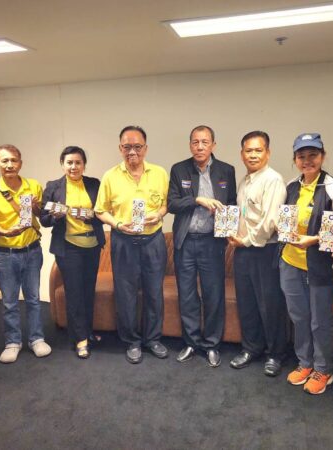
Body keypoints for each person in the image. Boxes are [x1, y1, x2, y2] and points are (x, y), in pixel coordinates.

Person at [277, 133, 333, 394]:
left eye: (313, 155)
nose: (307, 161)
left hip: (319, 266)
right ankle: (305, 362)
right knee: (299, 316)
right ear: (295, 159)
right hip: (290, 263)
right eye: (301, 156)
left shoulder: (332, 189)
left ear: (323, 156)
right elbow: (284, 222)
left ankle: (323, 369)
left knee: (320, 320)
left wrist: (314, 240)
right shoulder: (291, 187)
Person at [95, 126, 169, 364]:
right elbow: (100, 210)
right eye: (127, 147)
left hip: (153, 240)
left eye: (137, 146)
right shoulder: (110, 176)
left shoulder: (159, 173)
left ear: (145, 148)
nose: (132, 152)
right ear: (120, 148)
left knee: (154, 292)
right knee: (125, 294)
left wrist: (159, 214)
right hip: (123, 241)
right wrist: (117, 224)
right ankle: (132, 341)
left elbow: (166, 204)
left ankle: (153, 339)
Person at [168, 125, 236, 367]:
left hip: (211, 241)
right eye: (195, 142)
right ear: (190, 145)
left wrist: (227, 226)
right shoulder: (179, 169)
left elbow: (232, 203)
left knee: (213, 294)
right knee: (187, 295)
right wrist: (196, 200)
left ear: (213, 145)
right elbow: (172, 203)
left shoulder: (226, 170)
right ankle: (191, 342)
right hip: (185, 241)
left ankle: (212, 344)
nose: (199, 147)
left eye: (204, 142)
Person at [0, 144, 51, 363]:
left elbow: (41, 215)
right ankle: (13, 342)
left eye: (14, 160)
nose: (10, 165)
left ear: (21, 163)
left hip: (32, 250)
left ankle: (37, 338)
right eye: (5, 161)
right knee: (9, 301)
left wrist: (37, 207)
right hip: (5, 253)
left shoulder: (33, 186)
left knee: (33, 299)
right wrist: (4, 232)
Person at [227, 131, 288, 377]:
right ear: (242, 154)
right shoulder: (245, 181)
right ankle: (251, 348)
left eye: (258, 150)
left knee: (270, 304)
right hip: (242, 250)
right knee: (247, 303)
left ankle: (275, 354)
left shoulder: (273, 180)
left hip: (265, 250)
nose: (253, 155)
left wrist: (245, 240)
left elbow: (270, 221)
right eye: (248, 150)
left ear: (268, 153)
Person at [40, 146, 105, 359]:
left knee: (88, 291)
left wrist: (91, 216)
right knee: (74, 293)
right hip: (68, 247)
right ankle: (80, 339)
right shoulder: (53, 186)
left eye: (78, 162)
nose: (74, 166)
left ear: (84, 165)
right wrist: (56, 216)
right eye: (69, 162)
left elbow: (104, 212)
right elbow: (44, 219)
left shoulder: (94, 184)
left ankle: (87, 331)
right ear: (62, 164)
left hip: (92, 245)